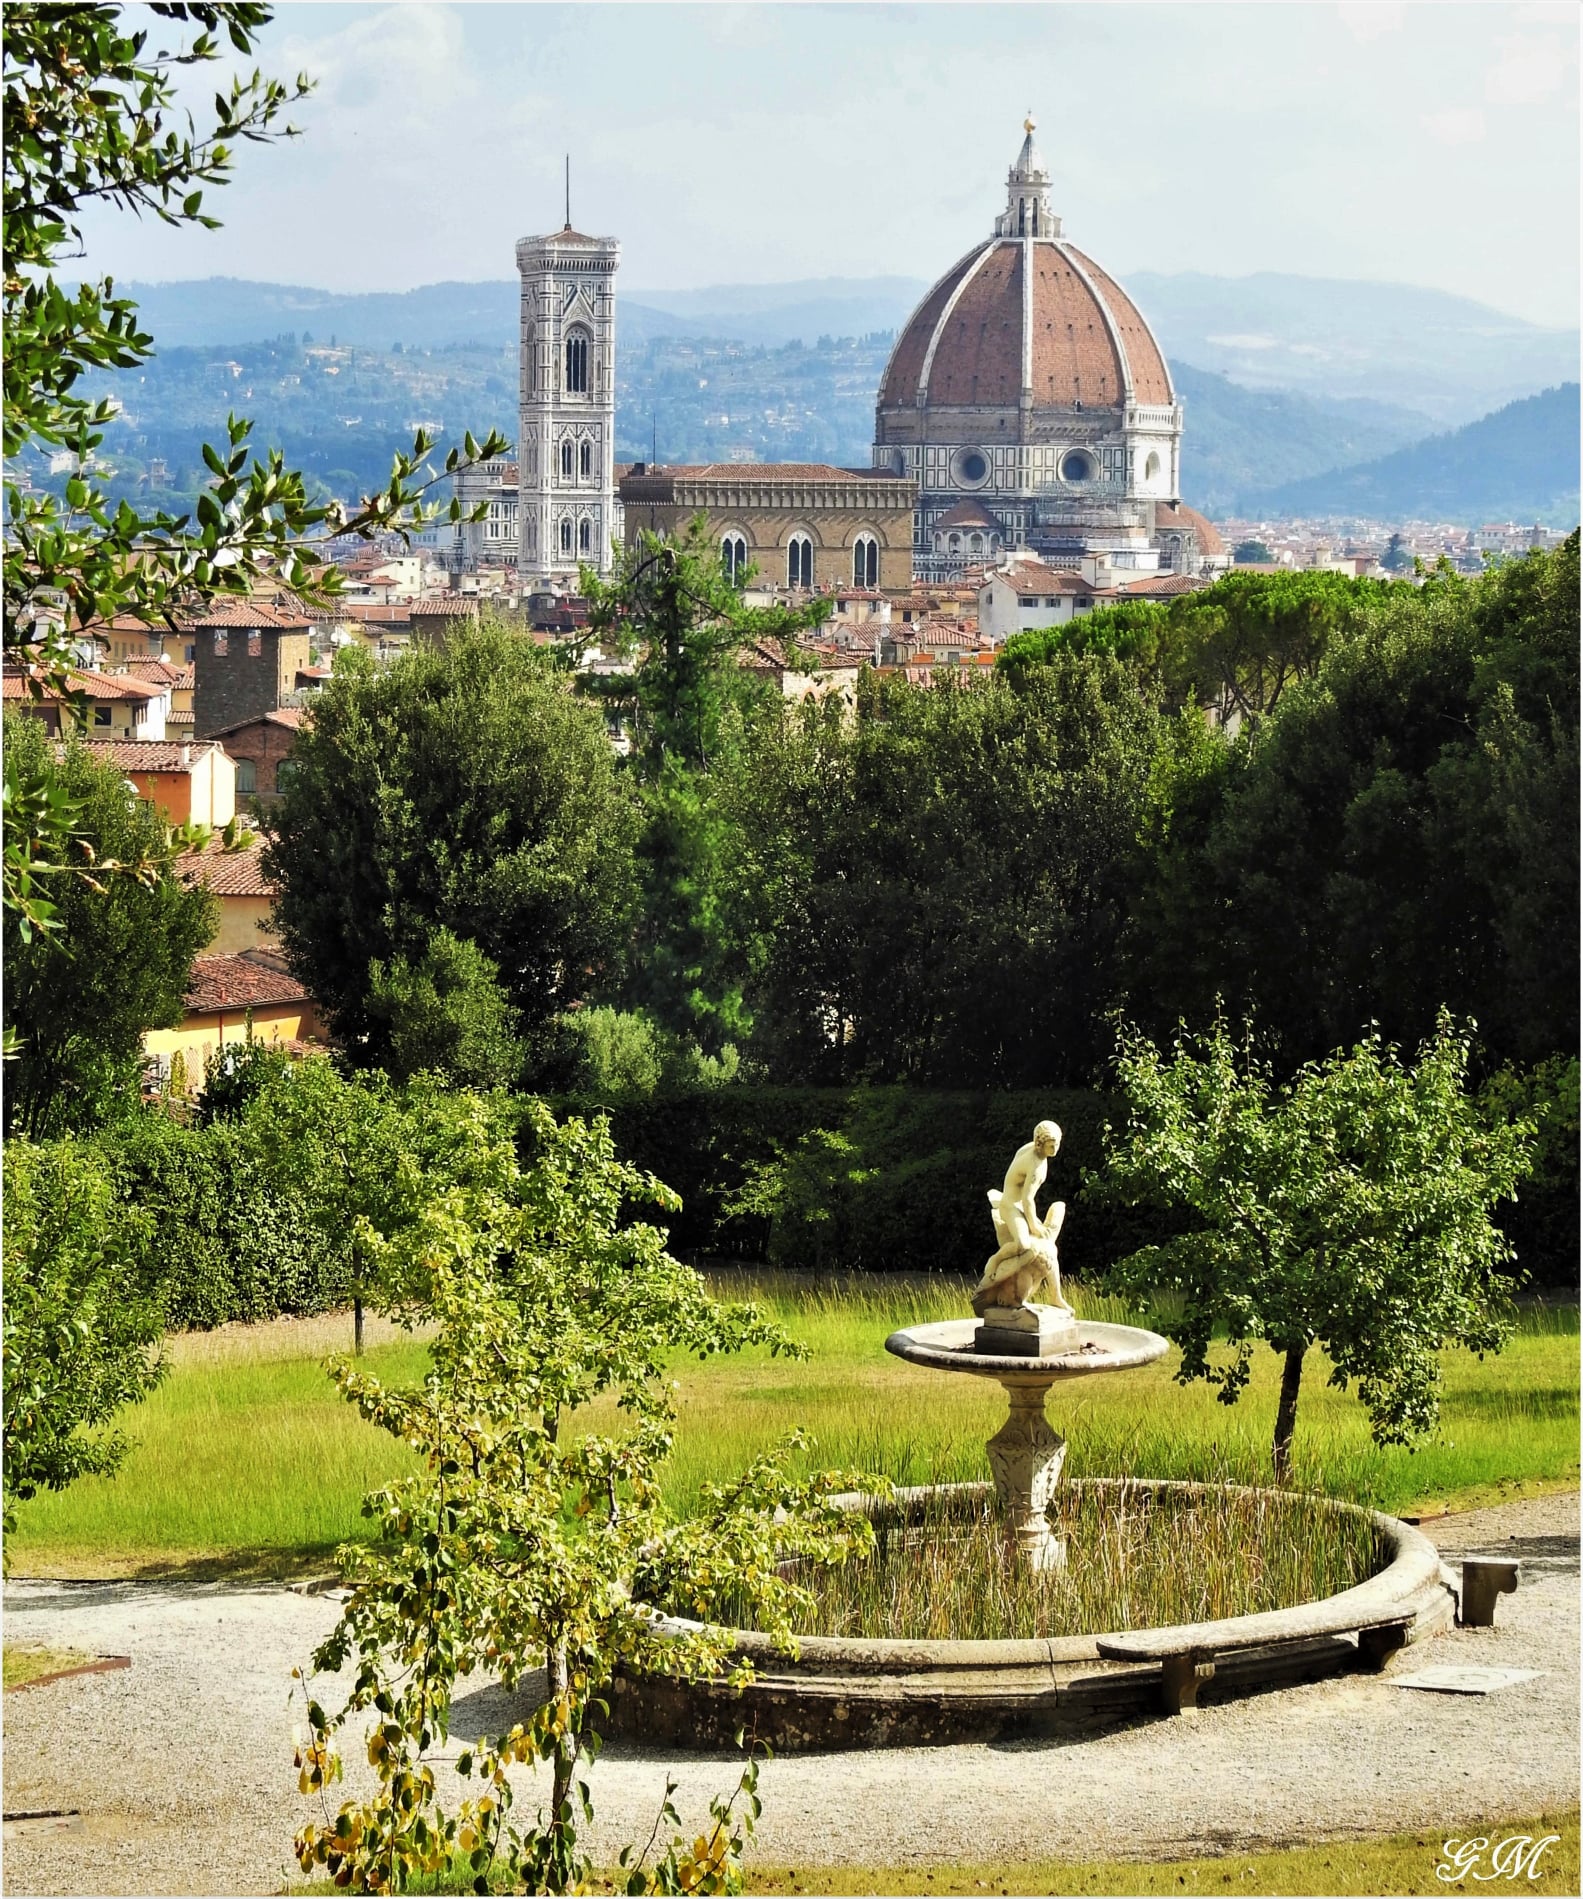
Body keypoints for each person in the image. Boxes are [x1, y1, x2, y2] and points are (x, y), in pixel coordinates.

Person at [972, 1120, 1071, 1315]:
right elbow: (1027, 1199)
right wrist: (1034, 1225)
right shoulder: (1036, 1165)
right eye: (1051, 1145)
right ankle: (995, 1259)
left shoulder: (1030, 1149)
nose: (1055, 1149)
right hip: (1011, 1206)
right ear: (1039, 1144)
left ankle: (1055, 1296)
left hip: (1018, 1205)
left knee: (1050, 1248)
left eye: (1057, 1144)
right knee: (1024, 1244)